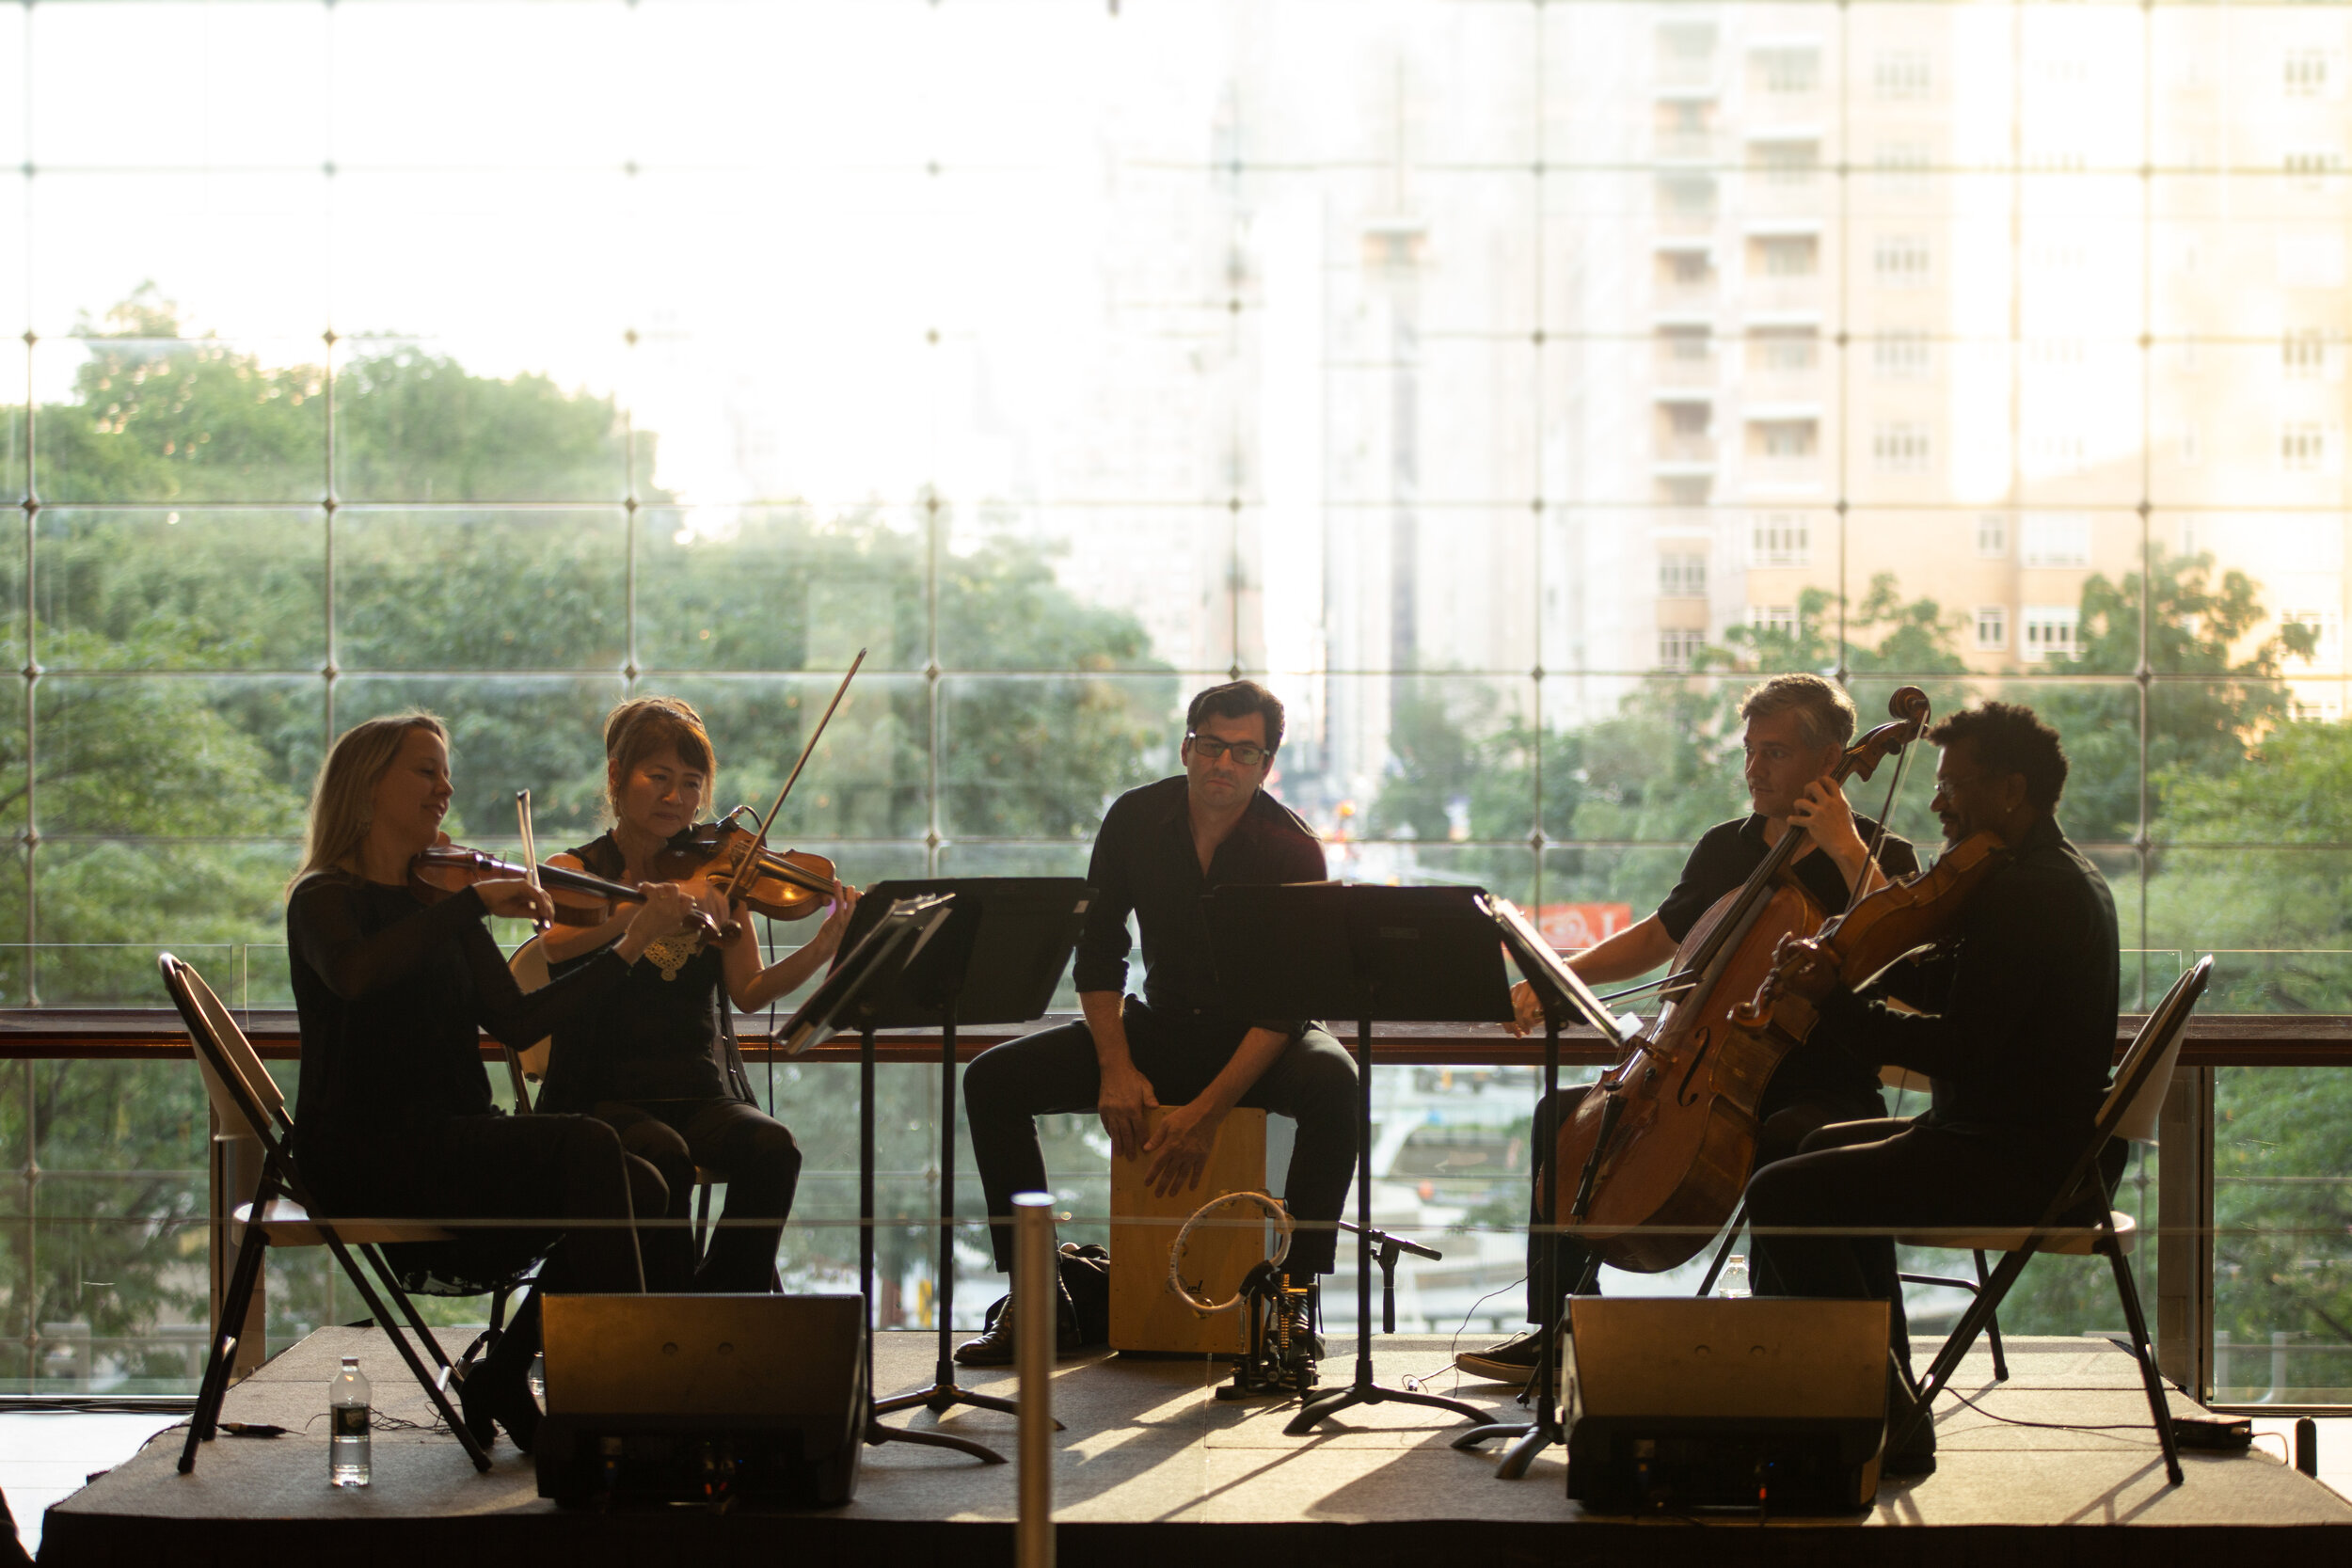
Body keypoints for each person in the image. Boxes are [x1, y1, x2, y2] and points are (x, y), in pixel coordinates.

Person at [1456, 673, 1921, 1381]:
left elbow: (1900, 957)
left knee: (1789, 1142)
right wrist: (1559, 975)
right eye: (1749, 751)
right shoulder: (1725, 848)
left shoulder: (1880, 854)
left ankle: (1834, 1358)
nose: (1752, 770)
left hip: (1818, 1080)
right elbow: (1659, 938)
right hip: (1701, 1071)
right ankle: (1558, 1327)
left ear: (1830, 760)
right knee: (1563, 1117)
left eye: (1773, 753)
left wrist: (1846, 847)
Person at [286, 713, 701, 1451]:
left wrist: (630, 947)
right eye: (426, 770)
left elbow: (516, 1020)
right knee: (588, 1144)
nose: (445, 789)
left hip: (453, 1139)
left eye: (446, 774)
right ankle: (627, 1418)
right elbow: (355, 975)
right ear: (367, 781)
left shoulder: (440, 900)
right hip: (368, 1151)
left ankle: (515, 1374)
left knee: (646, 1177)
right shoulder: (324, 899)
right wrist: (470, 903)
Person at [1744, 701, 2121, 1478]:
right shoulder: (2044, 877)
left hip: (2018, 1161)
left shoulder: (2033, 895)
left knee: (1785, 1193)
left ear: (2011, 789)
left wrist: (1835, 1005)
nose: (1937, 800)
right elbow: (1949, 980)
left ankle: (1878, 1412)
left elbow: (1960, 1046)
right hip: (2021, 1141)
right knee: (1812, 1151)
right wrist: (1846, 958)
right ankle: (1884, 1393)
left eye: (1954, 784)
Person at [955, 680, 1357, 1366]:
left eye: (1243, 751)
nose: (1222, 763)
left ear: (1265, 765)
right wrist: (1115, 1064)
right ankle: (1038, 1294)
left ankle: (1291, 1298)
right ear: (1186, 746)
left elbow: (1284, 1006)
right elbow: (1100, 948)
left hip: (1259, 1040)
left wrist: (1205, 1112)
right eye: (1210, 745)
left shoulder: (1293, 848)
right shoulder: (1134, 819)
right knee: (993, 1080)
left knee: (1336, 1081)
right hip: (1163, 1025)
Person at [537, 696, 859, 1293]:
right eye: (657, 778)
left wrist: (822, 947)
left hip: (693, 1091)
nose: (676, 798)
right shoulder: (578, 866)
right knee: (663, 1157)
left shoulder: (718, 875)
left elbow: (750, 992)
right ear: (615, 776)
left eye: (690, 784)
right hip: (597, 1097)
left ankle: (715, 1303)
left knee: (773, 1148)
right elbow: (555, 948)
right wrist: (645, 915)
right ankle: (662, 1320)